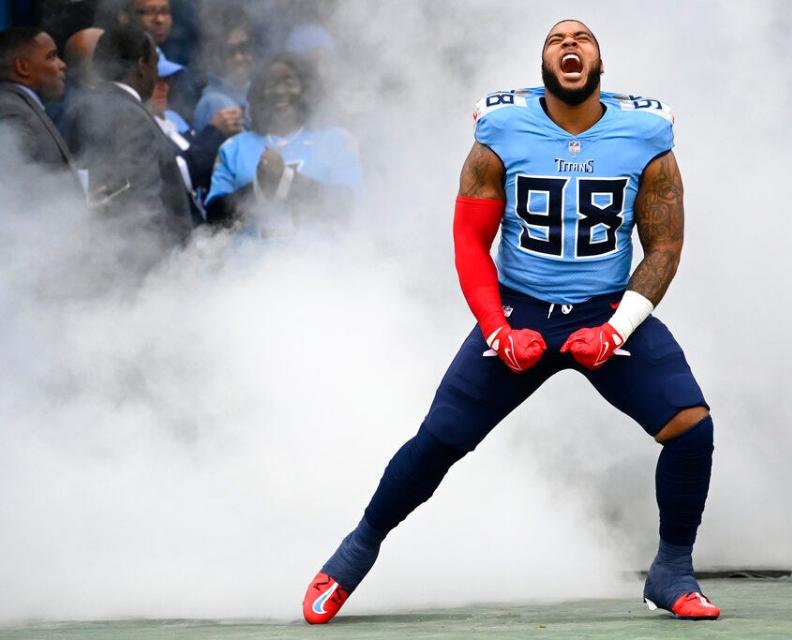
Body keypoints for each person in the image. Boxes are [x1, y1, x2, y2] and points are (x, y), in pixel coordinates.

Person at [302, 20, 721, 624]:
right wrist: (498, 330)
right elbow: (470, 243)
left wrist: (615, 330)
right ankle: (356, 551)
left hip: (604, 309)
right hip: (519, 307)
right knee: (441, 438)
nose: (570, 45)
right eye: (557, 39)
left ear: (600, 62)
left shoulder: (646, 133)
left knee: (691, 427)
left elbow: (664, 249)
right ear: (542, 63)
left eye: (582, 39)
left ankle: (672, 570)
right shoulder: (500, 127)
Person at [205, 53, 361, 235]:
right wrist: (257, 189)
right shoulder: (233, 148)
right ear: (259, 92)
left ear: (306, 88)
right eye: (271, 84)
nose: (280, 91)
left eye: (289, 82)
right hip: (247, 261)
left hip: (320, 260)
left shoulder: (337, 142)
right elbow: (213, 220)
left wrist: (286, 178)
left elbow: (345, 206)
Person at [61, 23, 192, 239]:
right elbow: (142, 210)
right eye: (155, 64)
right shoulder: (131, 116)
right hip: (149, 263)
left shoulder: (80, 108)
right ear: (142, 66)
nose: (157, 74)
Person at [149, 53, 242, 218]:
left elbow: (201, 165)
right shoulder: (142, 128)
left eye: (166, 79)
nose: (164, 87)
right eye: (156, 80)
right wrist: (215, 131)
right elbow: (181, 174)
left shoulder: (173, 118)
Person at [0, 27, 73, 171]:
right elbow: (20, 183)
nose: (62, 65)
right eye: (51, 56)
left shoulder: (21, 106)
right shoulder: (10, 111)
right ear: (23, 67)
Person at [192, 9, 253, 133]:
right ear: (215, 56)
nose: (239, 57)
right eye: (230, 51)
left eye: (244, 48)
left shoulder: (256, 93)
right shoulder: (213, 103)